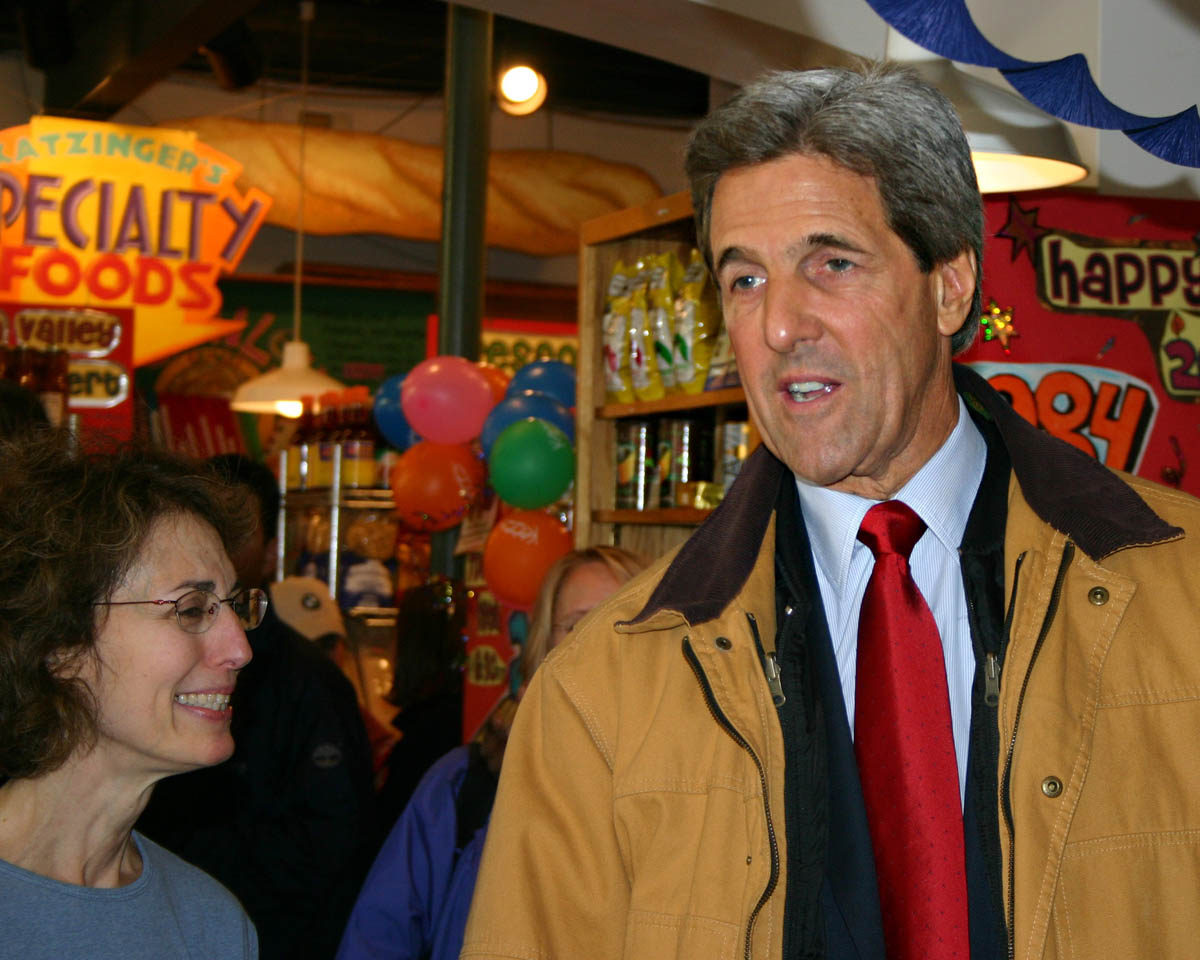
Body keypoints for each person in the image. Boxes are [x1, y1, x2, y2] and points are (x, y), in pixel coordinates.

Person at [461, 61, 1200, 960]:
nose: (779, 325)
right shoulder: (602, 691)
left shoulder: (1180, 595)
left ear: (949, 286)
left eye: (831, 264)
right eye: (744, 280)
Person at [0, 429, 262, 959]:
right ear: (58, 640)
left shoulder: (209, 925)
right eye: (191, 609)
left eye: (236, 606)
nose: (240, 649)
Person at [338, 547, 646, 960]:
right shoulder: (463, 783)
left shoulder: (687, 792)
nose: (595, 643)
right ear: (542, 647)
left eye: (619, 622)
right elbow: (377, 939)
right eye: (575, 625)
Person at [137, 454, 375, 960]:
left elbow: (331, 843)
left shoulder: (307, 682)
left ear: (270, 554)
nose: (233, 652)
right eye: (190, 608)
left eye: (236, 528)